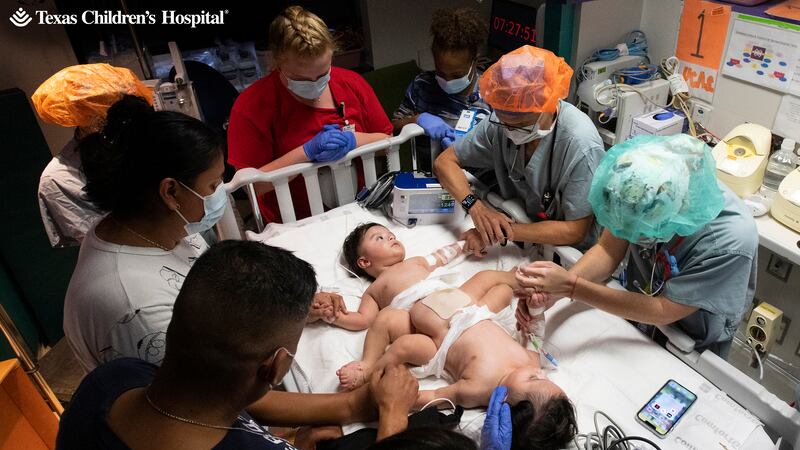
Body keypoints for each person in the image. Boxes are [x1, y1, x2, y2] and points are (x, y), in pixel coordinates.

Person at [57, 240, 421, 449]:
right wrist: (393, 418)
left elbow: (235, 405)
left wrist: (338, 413)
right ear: (275, 367)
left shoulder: (116, 377)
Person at [516, 134, 758, 357]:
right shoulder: (637, 186)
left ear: (677, 212)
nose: (631, 236)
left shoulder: (729, 242)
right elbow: (608, 250)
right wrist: (553, 294)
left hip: (692, 342)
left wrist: (572, 287)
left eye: (641, 231)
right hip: (639, 314)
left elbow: (663, 310)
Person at [433, 45, 605, 255]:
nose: (510, 131)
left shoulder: (580, 144)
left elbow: (575, 230)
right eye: (505, 123)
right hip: (525, 240)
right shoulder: (499, 122)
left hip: (570, 254)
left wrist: (502, 232)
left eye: (521, 124)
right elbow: (445, 162)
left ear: (548, 106)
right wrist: (476, 208)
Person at [228, 6, 393, 223]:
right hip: (293, 222)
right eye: (301, 79)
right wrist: (305, 153)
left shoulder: (351, 84)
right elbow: (250, 185)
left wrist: (354, 140)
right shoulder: (252, 105)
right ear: (277, 62)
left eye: (323, 73)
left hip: (359, 210)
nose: (315, 84)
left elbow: (387, 143)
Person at [31, 63, 153, 247]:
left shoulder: (141, 144)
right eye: (104, 112)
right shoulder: (59, 179)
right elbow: (105, 243)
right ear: (81, 115)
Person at [391, 8, 491, 172]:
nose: (447, 81)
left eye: (456, 74)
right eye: (441, 72)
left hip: (478, 184)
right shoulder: (422, 85)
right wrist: (417, 119)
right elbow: (392, 127)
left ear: (475, 61)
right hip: (428, 176)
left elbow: (506, 152)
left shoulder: (493, 94)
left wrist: (469, 149)